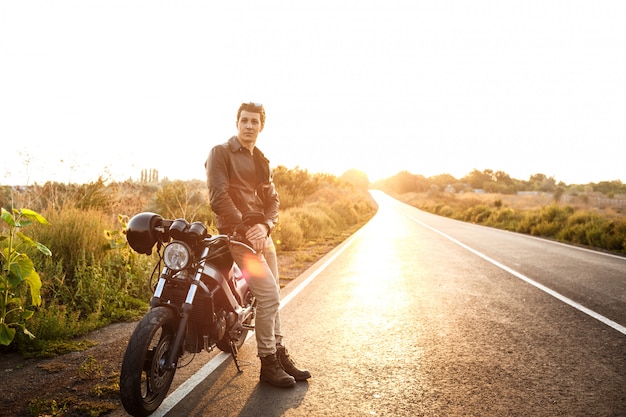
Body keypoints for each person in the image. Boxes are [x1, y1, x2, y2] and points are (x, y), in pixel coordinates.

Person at [204, 102, 311, 388]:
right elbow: (218, 196)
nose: (249, 126)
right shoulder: (221, 153)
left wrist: (264, 226)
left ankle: (279, 353)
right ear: (237, 123)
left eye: (254, 121)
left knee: (271, 299)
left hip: (262, 237)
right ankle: (268, 363)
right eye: (244, 120)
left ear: (261, 126)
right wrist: (245, 228)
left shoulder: (262, 160)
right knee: (269, 296)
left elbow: (273, 201)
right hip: (239, 239)